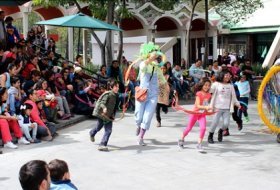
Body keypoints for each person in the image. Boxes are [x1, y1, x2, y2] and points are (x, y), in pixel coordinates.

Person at [135, 42, 166, 146]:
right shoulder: (143, 64)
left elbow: (163, 81)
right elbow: (143, 66)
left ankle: (141, 137)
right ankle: (138, 125)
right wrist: (150, 59)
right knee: (139, 116)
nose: (155, 55)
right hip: (142, 94)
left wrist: (170, 89)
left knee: (148, 117)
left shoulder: (157, 68)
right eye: (153, 53)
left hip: (153, 95)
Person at [178, 78, 212, 151]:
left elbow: (205, 104)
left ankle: (199, 144)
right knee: (188, 128)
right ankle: (182, 139)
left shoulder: (209, 95)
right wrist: (206, 107)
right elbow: (198, 105)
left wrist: (209, 109)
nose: (207, 87)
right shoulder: (198, 93)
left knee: (203, 128)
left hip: (202, 114)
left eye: (209, 85)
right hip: (195, 113)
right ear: (202, 85)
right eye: (205, 85)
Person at [207, 71, 241, 143]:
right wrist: (210, 83)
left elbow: (234, 97)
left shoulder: (231, 86)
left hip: (227, 108)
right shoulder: (216, 84)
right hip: (217, 108)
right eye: (226, 75)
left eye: (229, 75)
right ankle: (210, 135)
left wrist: (237, 104)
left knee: (226, 124)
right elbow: (210, 91)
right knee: (215, 122)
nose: (228, 76)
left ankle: (221, 131)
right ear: (222, 75)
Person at [89, 79, 119, 151]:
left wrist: (128, 94)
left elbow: (115, 105)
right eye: (116, 86)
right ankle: (92, 133)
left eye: (118, 86)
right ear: (111, 87)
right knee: (98, 127)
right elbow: (102, 103)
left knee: (108, 130)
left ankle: (102, 144)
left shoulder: (116, 95)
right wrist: (104, 108)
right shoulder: (108, 94)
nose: (117, 88)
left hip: (108, 116)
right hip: (102, 114)